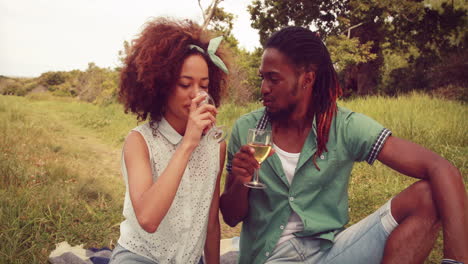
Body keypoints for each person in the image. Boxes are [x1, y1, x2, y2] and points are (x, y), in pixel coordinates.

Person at [219, 26, 467, 264]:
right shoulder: (248, 130)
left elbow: (441, 168)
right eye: (262, 78)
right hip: (271, 257)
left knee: (427, 195)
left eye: (274, 79)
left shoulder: (342, 126)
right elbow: (230, 218)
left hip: (332, 253)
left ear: (307, 79)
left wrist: (457, 260)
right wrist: (242, 180)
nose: (264, 89)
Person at [110, 17, 230, 264]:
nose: (197, 94)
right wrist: (188, 143)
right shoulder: (140, 142)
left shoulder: (216, 146)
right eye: (185, 84)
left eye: (204, 85)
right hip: (140, 257)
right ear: (161, 86)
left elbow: (210, 221)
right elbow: (148, 219)